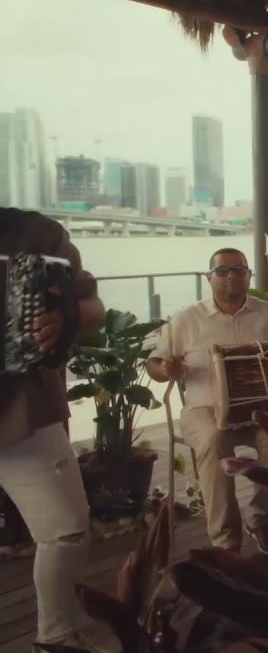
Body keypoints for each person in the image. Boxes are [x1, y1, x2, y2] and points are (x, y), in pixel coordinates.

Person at [0, 208, 107, 651]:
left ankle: (57, 637)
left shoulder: (37, 233)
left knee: (66, 529)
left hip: (20, 411)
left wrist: (65, 316)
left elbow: (94, 306)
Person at [147, 248, 268, 556]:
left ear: (248, 275)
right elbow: (154, 363)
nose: (231, 276)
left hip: (259, 406)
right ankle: (225, 539)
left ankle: (260, 519)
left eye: (239, 269)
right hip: (205, 409)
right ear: (209, 277)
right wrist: (165, 370)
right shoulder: (187, 318)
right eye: (223, 270)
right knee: (214, 440)